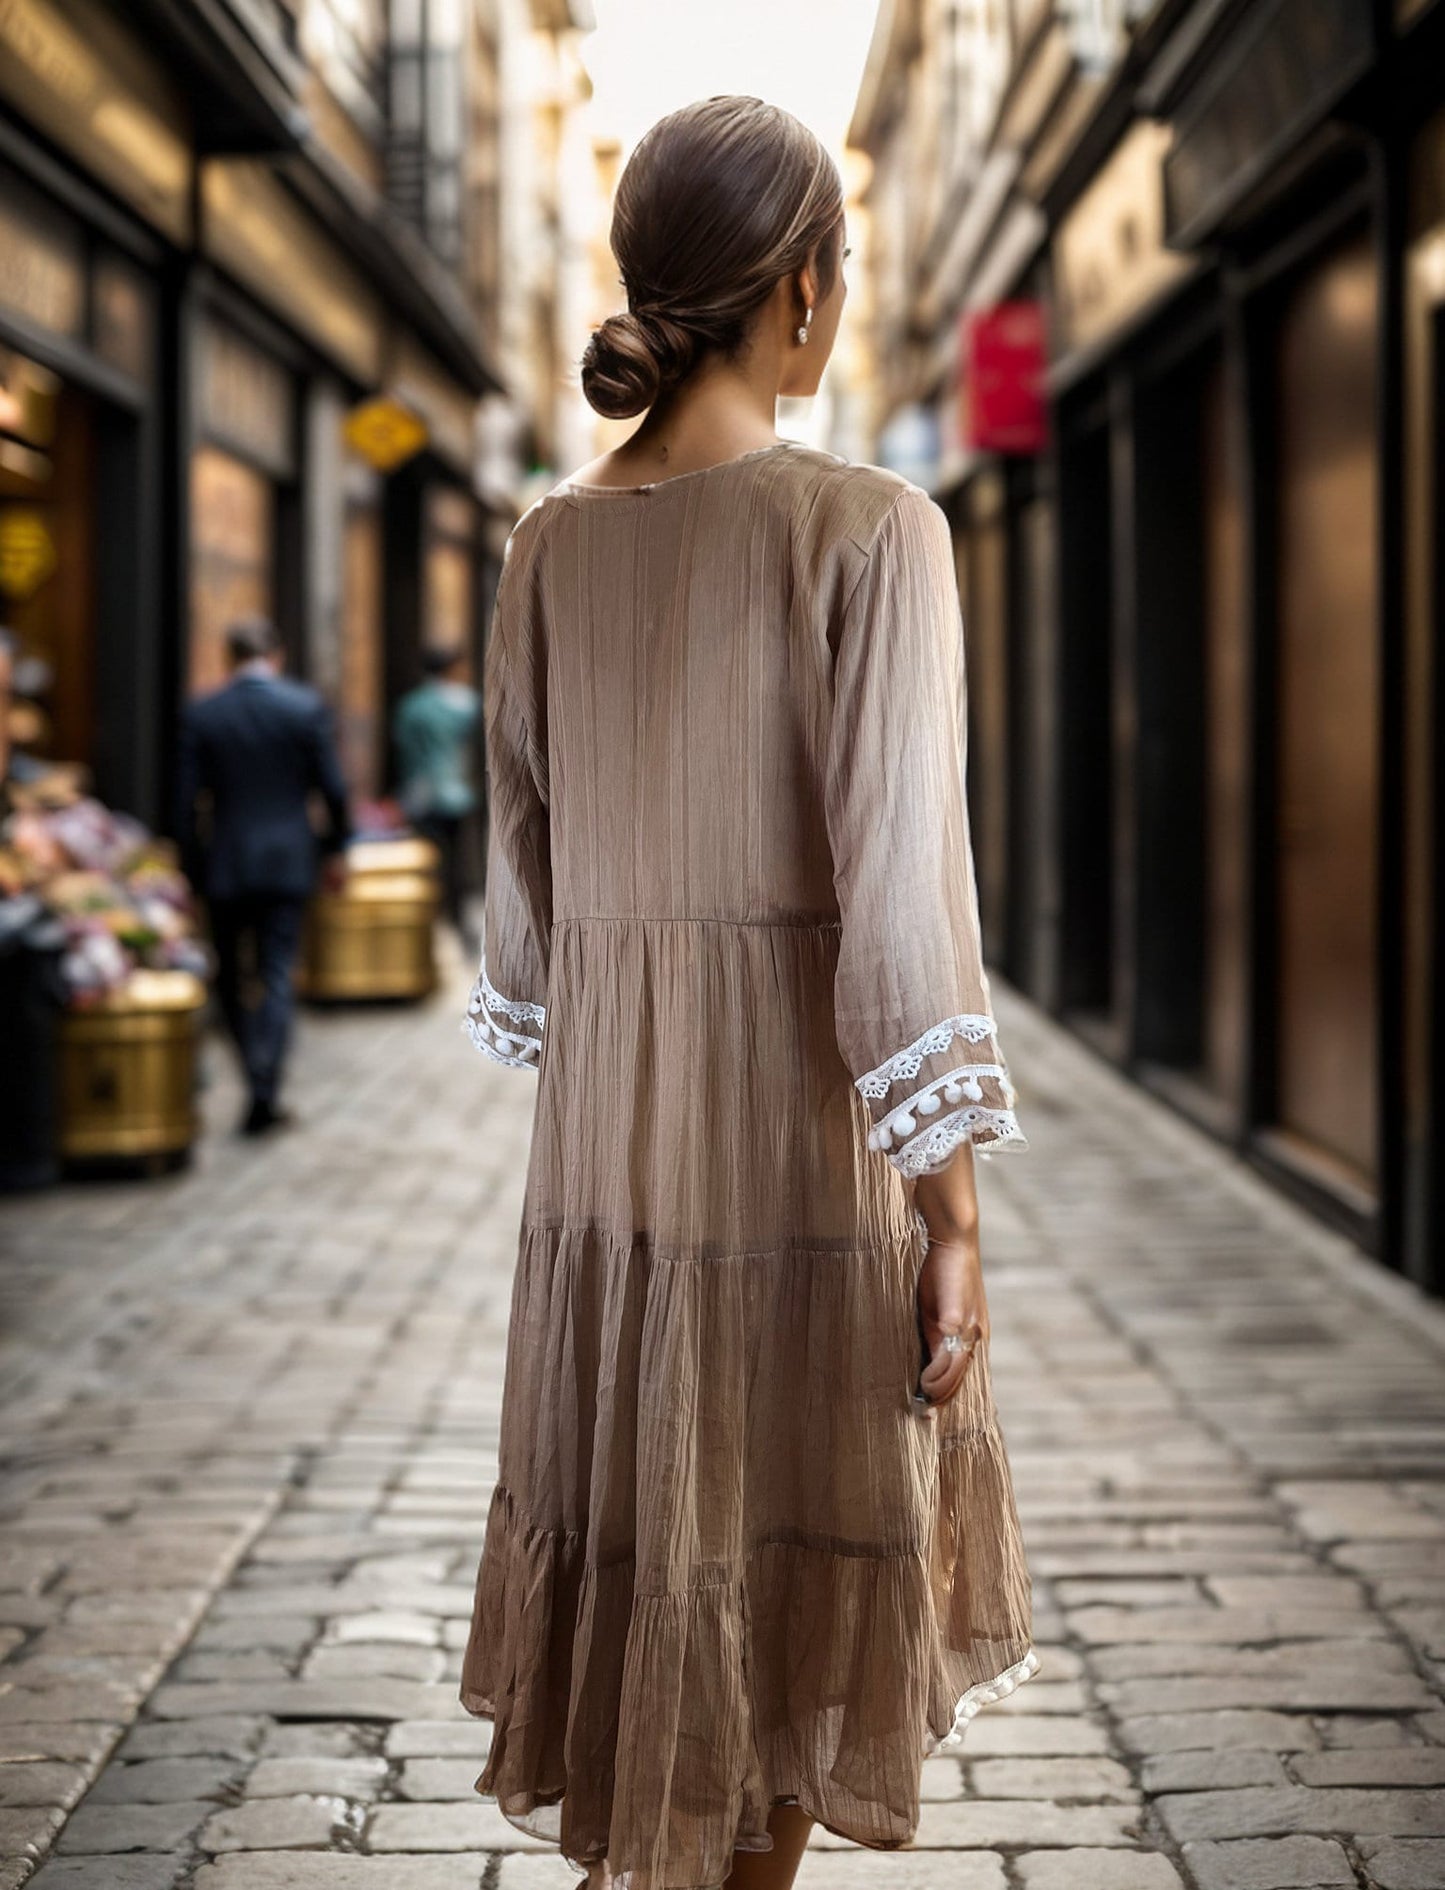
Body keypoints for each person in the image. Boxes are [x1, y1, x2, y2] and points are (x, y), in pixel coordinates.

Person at [458, 96, 1038, 1890]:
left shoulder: (545, 547)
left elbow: (534, 906)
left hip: (614, 1185)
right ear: (803, 291)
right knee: (782, 1622)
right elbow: (899, 913)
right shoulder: (868, 531)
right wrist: (948, 1215)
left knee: (663, 1602)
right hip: (798, 1179)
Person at [176, 616, 351, 1136]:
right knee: (276, 973)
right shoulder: (303, 707)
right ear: (276, 655)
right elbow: (334, 790)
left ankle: (254, 1074)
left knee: (230, 976)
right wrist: (335, 849)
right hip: (287, 861)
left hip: (226, 862)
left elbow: (184, 805)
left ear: (230, 658)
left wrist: (191, 869)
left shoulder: (204, 714)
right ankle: (265, 1086)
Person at [392, 644, 481, 953]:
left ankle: (430, 927)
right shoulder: (466, 704)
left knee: (428, 864)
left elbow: (404, 752)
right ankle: (458, 925)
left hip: (421, 795)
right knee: (457, 864)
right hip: (456, 793)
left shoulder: (412, 706)